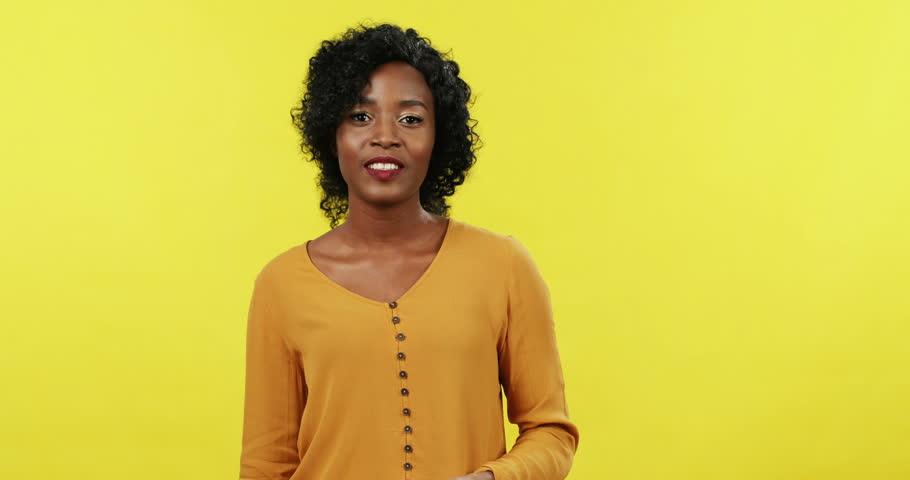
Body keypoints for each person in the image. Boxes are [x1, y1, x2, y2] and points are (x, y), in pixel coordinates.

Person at [239, 22, 579, 480]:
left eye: (411, 118)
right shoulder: (281, 284)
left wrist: (492, 479)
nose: (385, 136)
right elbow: (266, 465)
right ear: (331, 135)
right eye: (360, 116)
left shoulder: (504, 267)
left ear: (440, 137)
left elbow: (552, 433)